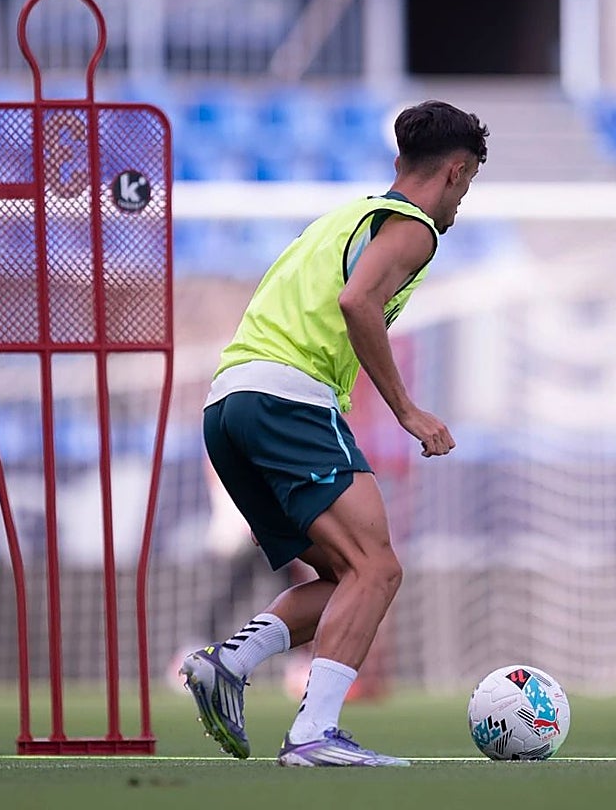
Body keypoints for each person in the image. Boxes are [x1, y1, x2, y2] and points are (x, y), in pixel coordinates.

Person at [180, 100, 488, 767]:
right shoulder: (413, 229)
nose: (462, 204)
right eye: (468, 187)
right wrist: (408, 410)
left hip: (228, 403)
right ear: (457, 173)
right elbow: (357, 303)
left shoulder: (346, 216)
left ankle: (228, 663)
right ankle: (313, 733)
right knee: (378, 568)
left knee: (346, 578)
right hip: (288, 397)